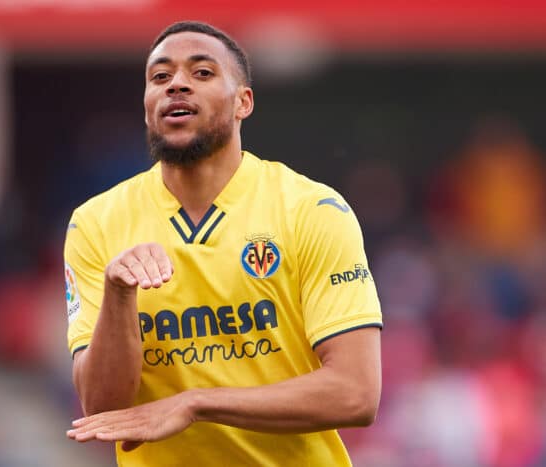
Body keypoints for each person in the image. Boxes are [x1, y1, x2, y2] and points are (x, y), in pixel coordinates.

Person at [64, 20, 383, 466]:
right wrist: (118, 296)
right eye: (160, 76)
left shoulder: (310, 210)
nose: (176, 84)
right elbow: (102, 408)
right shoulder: (96, 223)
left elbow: (355, 394)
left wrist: (197, 403)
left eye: (202, 73)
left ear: (242, 103)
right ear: (147, 105)